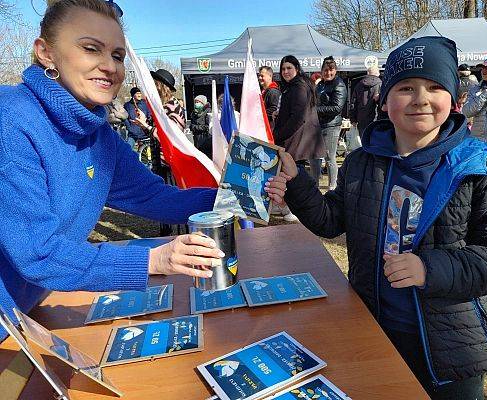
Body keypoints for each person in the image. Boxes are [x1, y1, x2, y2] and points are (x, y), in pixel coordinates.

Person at [0, 0, 286, 341]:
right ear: (46, 53)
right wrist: (153, 260)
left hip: (27, 312)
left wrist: (243, 194)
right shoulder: (11, 119)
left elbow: (152, 196)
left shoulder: (99, 133)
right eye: (91, 49)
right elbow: (38, 252)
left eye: (118, 56)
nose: (109, 67)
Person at [275, 37, 487, 399]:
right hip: (374, 328)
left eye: (435, 87)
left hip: (450, 348)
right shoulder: (363, 161)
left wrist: (429, 268)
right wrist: (297, 183)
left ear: (455, 100)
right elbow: (331, 220)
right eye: (406, 87)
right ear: (385, 99)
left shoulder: (481, 166)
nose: (421, 99)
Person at [273, 55, 326, 222]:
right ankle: (295, 208)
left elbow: (298, 117)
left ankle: (299, 208)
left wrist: (279, 135)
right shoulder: (294, 86)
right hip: (299, 140)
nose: (286, 71)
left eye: (289, 68)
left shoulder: (299, 86)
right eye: (283, 69)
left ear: (296, 68)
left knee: (295, 174)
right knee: (294, 174)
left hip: (297, 141)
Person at [312, 56, 347, 190]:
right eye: (326, 70)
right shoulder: (320, 84)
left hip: (331, 125)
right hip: (317, 125)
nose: (328, 73)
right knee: (314, 157)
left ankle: (333, 186)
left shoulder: (339, 84)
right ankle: (315, 185)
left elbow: (336, 108)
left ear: (336, 70)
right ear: (321, 70)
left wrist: (316, 110)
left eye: (331, 70)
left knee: (329, 156)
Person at [350, 65, 382, 138]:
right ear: (378, 73)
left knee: (364, 143)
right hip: (376, 119)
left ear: (368, 73)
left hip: (361, 120)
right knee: (376, 144)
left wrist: (353, 119)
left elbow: (353, 103)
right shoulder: (380, 84)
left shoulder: (359, 85)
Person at [258, 66, 281, 130]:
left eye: (262, 76)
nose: (259, 78)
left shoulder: (273, 92)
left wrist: (258, 114)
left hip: (270, 129)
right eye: (259, 75)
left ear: (270, 76)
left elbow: (274, 109)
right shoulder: (265, 91)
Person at [190, 94, 212, 158]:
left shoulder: (208, 112)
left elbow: (208, 127)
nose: (196, 104)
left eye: (198, 102)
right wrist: (192, 127)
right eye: (195, 102)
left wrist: (195, 127)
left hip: (205, 139)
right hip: (196, 139)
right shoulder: (194, 113)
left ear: (203, 103)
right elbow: (191, 124)